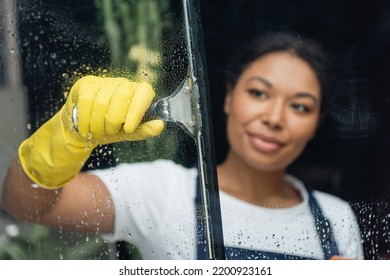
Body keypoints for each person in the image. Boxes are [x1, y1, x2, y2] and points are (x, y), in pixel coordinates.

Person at [1, 32, 364, 260]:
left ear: (315, 123)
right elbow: (24, 203)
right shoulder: (161, 191)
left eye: (300, 105)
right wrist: (68, 135)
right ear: (227, 99)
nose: (274, 117)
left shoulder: (336, 219)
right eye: (258, 93)